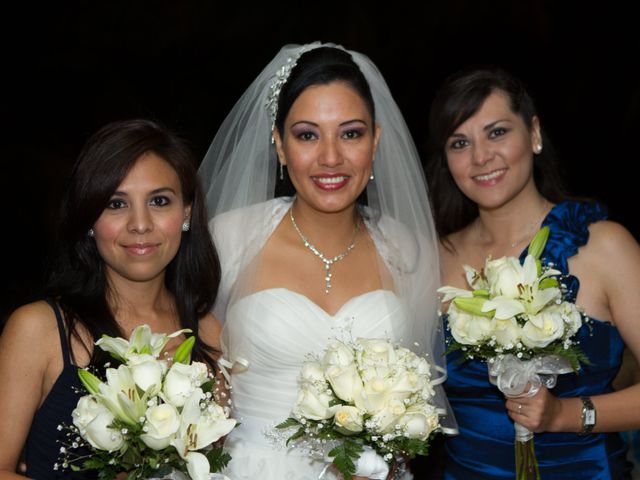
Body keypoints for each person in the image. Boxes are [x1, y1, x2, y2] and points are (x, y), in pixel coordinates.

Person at [198, 43, 456, 479]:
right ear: (279, 144)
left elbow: (415, 406)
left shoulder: (405, 249)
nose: (331, 157)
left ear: (375, 140)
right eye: (307, 135)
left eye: (350, 133)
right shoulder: (228, 238)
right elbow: (202, 386)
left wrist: (387, 462)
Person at [426, 66, 640, 479]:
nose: (480, 157)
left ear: (535, 134)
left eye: (497, 132)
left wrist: (567, 414)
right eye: (460, 142)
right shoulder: (434, 259)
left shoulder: (603, 248)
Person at [0, 119, 222, 479]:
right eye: (116, 204)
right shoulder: (37, 329)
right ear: (90, 218)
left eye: (159, 201)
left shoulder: (209, 333)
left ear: (187, 212)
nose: (139, 223)